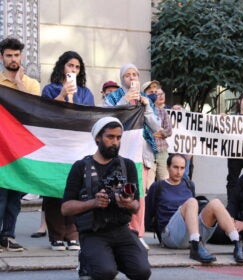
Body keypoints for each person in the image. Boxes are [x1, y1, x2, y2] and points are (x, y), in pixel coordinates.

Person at [61, 117, 151, 280]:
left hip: (122, 230)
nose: (115, 142)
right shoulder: (81, 167)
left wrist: (127, 203)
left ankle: (105, 258)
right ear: (98, 138)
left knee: (142, 272)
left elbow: (137, 206)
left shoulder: (128, 166)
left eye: (118, 138)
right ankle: (89, 262)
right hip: (93, 232)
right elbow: (66, 208)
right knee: (105, 273)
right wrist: (93, 203)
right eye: (110, 137)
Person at [146, 153, 243, 264]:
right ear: (167, 167)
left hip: (192, 234)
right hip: (170, 235)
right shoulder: (158, 186)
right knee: (192, 202)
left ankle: (237, 242)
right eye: (175, 167)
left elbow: (193, 213)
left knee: (215, 203)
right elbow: (147, 212)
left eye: (182, 168)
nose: (179, 172)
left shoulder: (189, 184)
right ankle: (195, 246)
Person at [104, 64, 161, 249]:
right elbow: (106, 118)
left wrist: (147, 107)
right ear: (122, 79)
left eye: (134, 74)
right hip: (118, 153)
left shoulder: (145, 100)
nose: (131, 78)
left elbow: (155, 126)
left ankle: (137, 233)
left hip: (140, 154)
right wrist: (124, 101)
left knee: (139, 195)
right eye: (127, 75)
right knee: (118, 192)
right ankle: (120, 232)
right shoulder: (113, 97)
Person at [42, 51, 95, 251]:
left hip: (77, 148)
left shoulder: (85, 93)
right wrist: (63, 94)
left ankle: (73, 234)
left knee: (77, 188)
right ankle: (56, 235)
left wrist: (73, 98)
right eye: (70, 65)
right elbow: (45, 113)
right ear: (62, 67)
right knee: (54, 189)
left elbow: (88, 117)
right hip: (56, 146)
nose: (73, 69)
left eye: (77, 67)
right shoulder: (50, 89)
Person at [0, 37, 41, 252]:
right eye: (9, 55)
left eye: (16, 55)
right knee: (0, 194)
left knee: (15, 194)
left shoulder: (32, 84)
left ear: (21, 56)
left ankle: (8, 235)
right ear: (2, 57)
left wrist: (18, 83)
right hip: (1, 147)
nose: (13, 59)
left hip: (21, 148)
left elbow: (33, 110)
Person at [142, 80, 172, 183]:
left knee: (164, 181)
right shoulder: (141, 110)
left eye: (156, 92)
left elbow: (169, 130)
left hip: (162, 151)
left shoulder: (162, 111)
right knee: (148, 184)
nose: (154, 95)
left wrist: (161, 132)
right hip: (147, 151)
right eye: (151, 92)